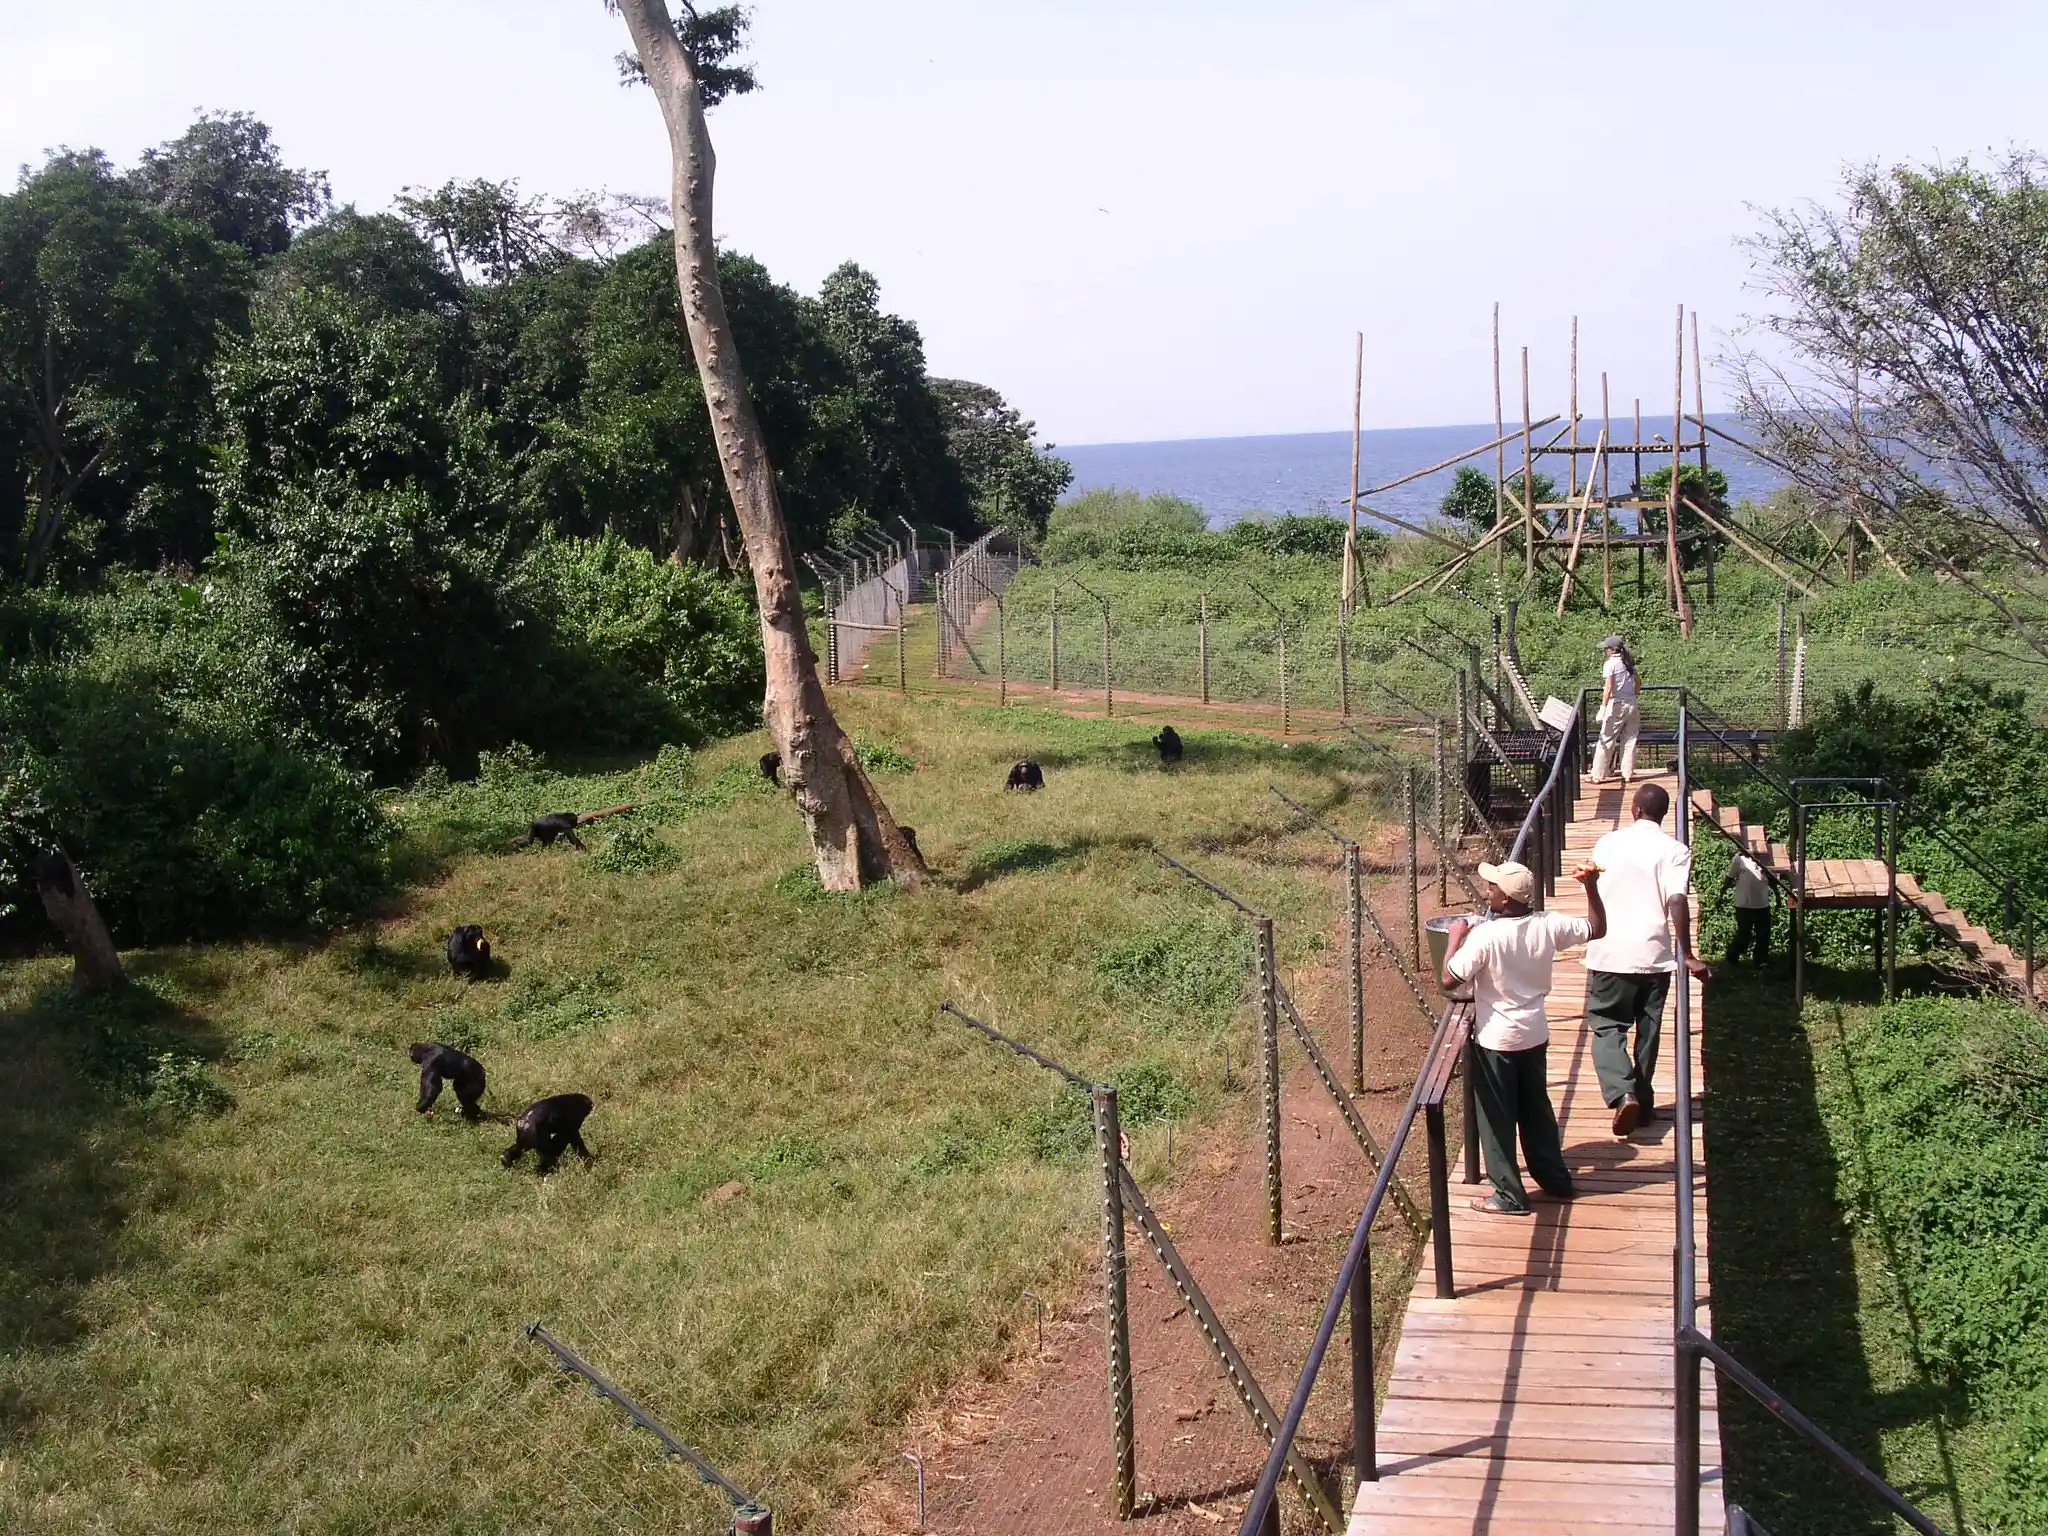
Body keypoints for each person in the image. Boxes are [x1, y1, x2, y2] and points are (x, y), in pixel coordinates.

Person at [1441, 859, 1607, 1216]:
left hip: (1497, 1041)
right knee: (1536, 1111)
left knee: (1497, 1119)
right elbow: (1596, 927)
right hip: (1535, 1033)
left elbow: (1450, 980)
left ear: (1506, 899)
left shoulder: (1486, 935)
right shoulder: (1547, 924)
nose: (1488, 891)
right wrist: (1590, 885)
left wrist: (1455, 937)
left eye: (1493, 888)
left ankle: (1509, 1195)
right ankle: (1555, 1180)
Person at [1583, 782, 1711, 1138]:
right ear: (1664, 814)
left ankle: (1623, 1094)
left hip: (1610, 951)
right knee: (1648, 1030)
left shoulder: (1608, 843)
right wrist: (1685, 953)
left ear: (1634, 810)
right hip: (1654, 955)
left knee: (1608, 1025)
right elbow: (1677, 900)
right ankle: (1643, 1100)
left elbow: (1593, 879)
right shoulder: (1674, 849)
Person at [1589, 635, 1640, 785]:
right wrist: (1634, 694)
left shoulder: (1610, 664)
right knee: (1630, 740)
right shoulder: (1628, 662)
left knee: (1606, 739)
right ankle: (1627, 774)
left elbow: (1609, 687)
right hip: (1632, 704)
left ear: (1612, 650)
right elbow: (1638, 681)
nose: (1604, 651)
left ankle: (1597, 775)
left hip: (1616, 705)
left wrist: (1603, 707)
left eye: (1606, 648)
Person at [1722, 850, 1774, 967]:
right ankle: (1732, 956)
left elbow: (1772, 879)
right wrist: (1722, 893)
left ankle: (1761, 961)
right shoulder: (1739, 859)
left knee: (1763, 934)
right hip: (1744, 905)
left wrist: (1778, 896)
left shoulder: (1766, 858)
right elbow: (1729, 877)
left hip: (1762, 904)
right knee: (1744, 934)